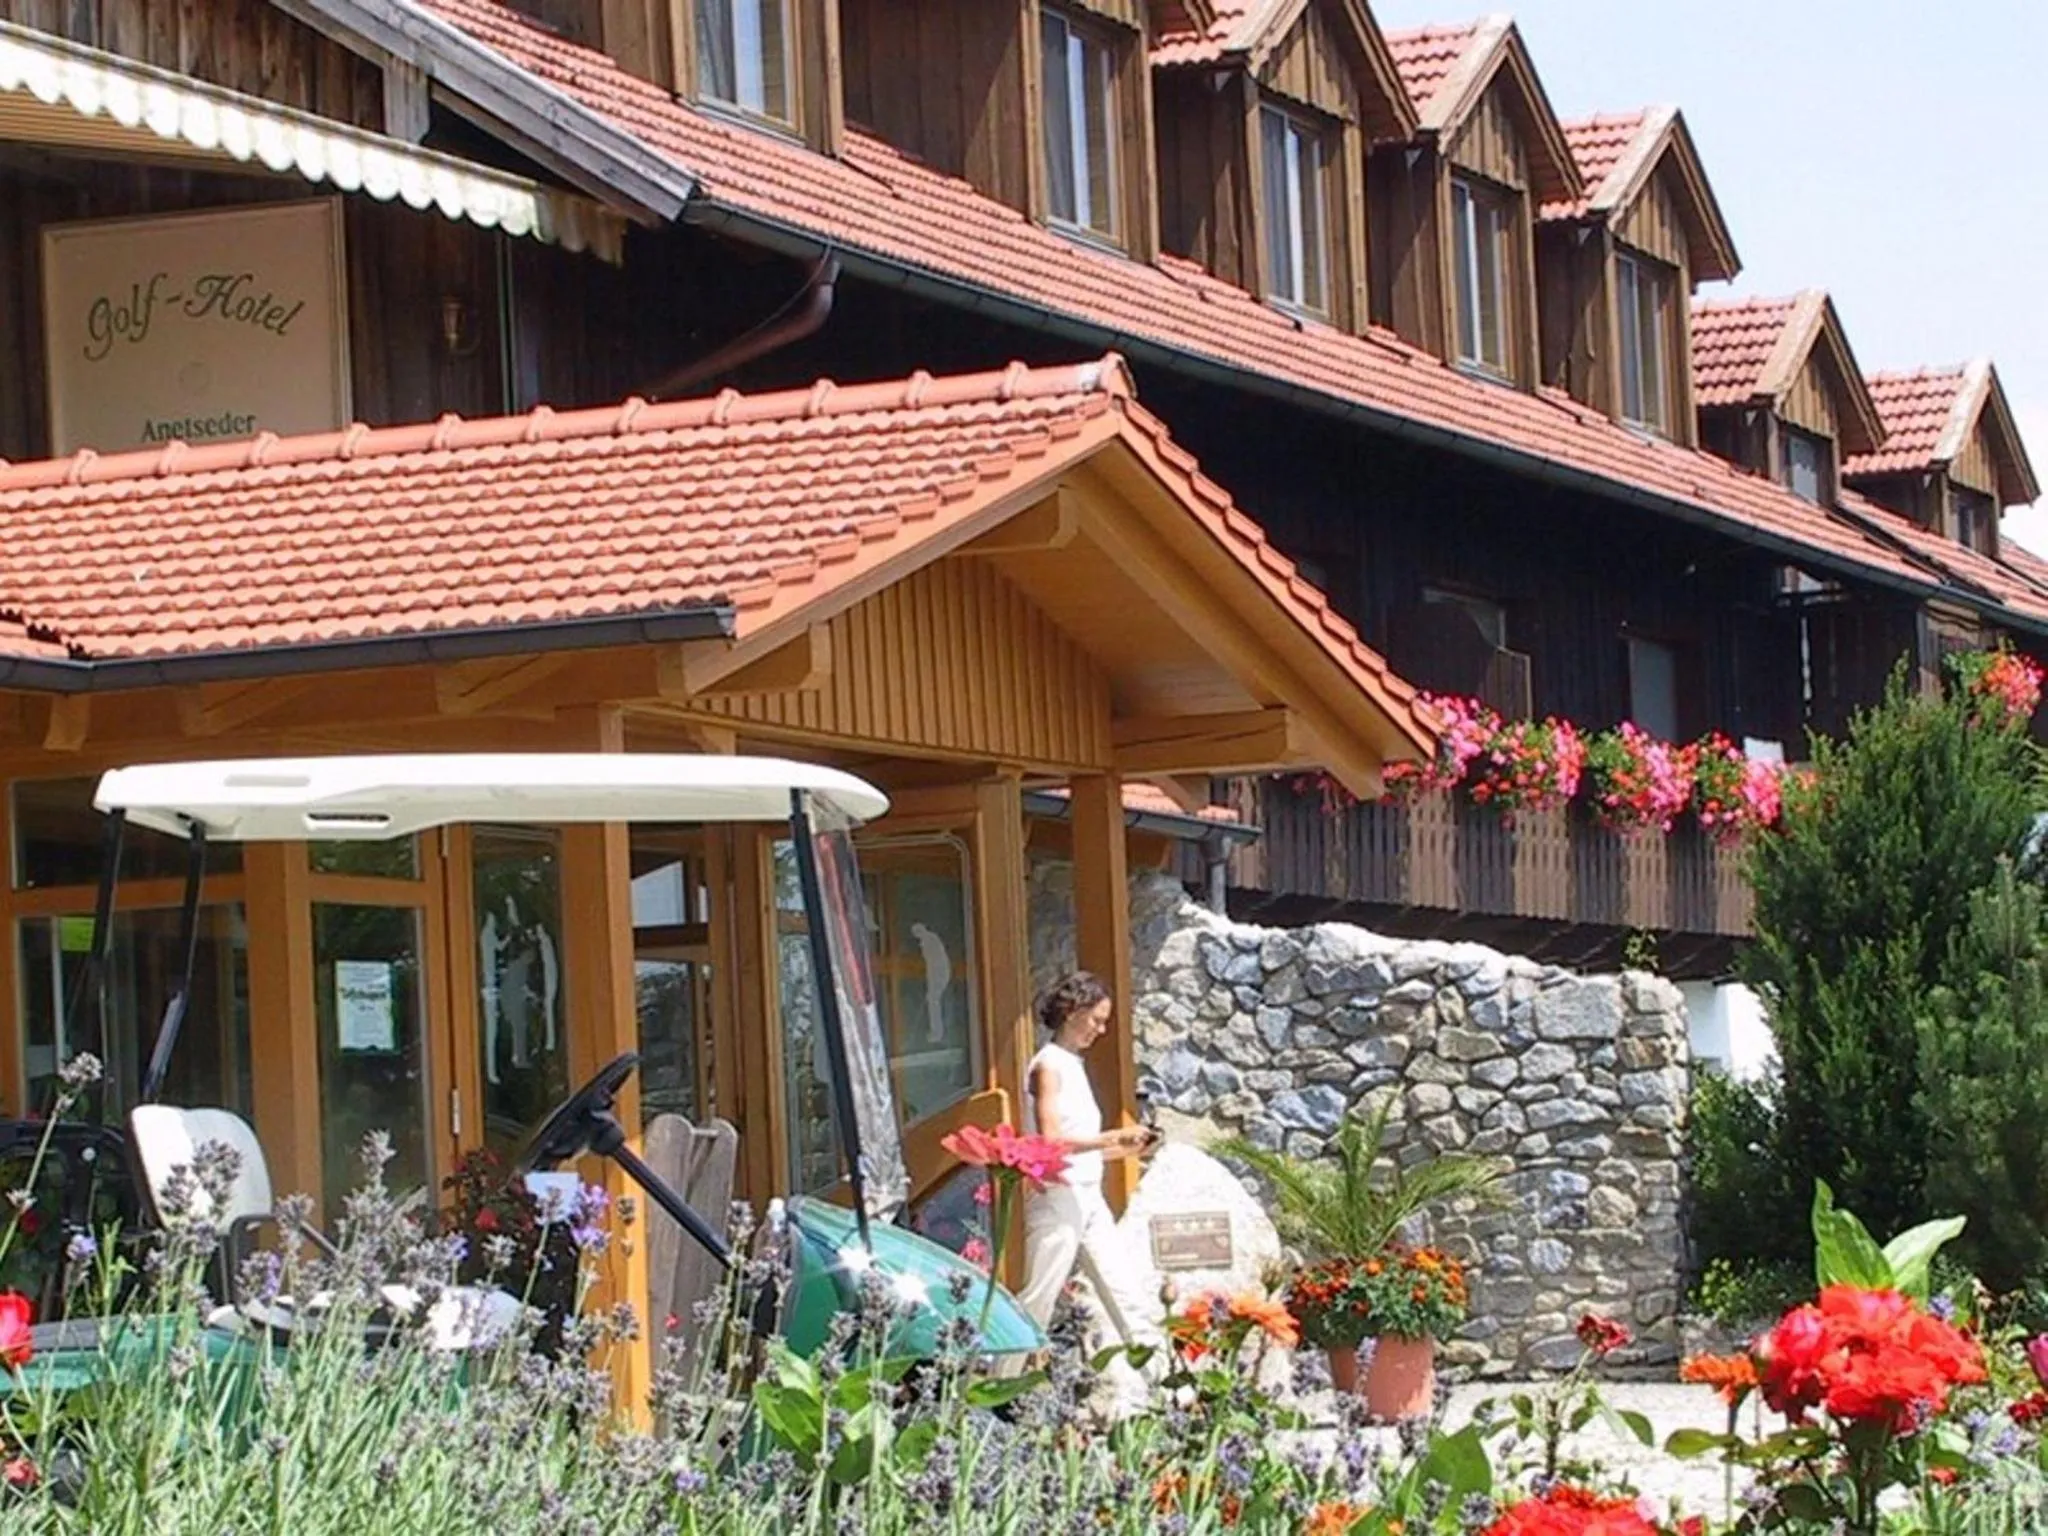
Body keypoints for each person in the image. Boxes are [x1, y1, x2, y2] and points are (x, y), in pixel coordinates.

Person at [1017, 970, 1165, 1412]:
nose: (1101, 1029)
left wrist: (1127, 1148)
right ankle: (992, 1394)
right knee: (1037, 1299)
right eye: (1097, 1020)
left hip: (1087, 1195)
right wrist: (1111, 1138)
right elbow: (1050, 1141)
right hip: (1057, 1198)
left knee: (1126, 1293)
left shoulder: (1074, 1066)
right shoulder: (1047, 1065)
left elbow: (1083, 1151)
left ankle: (1172, 1389)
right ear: (1073, 1011)